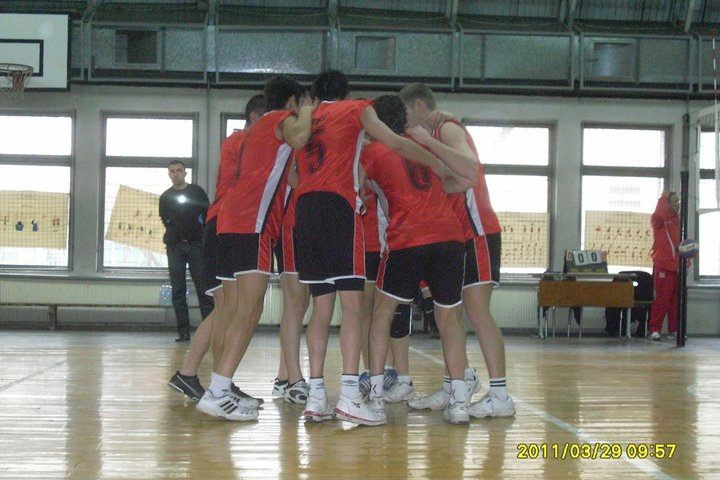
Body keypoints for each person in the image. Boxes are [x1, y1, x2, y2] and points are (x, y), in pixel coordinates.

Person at [293, 70, 442, 426]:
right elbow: (394, 141)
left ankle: (316, 397)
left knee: (321, 308)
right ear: (346, 94)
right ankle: (348, 396)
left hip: (305, 211)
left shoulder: (305, 119)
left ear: (316, 95)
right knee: (353, 307)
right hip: (337, 208)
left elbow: (293, 178)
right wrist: (435, 160)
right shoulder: (356, 108)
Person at [196, 75, 314, 421]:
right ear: (291, 102)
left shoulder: (255, 131)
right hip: (253, 225)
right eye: (300, 103)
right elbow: (301, 136)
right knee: (249, 310)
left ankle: (220, 387)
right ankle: (218, 392)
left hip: (229, 222)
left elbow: (291, 179)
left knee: (233, 311)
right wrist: (310, 111)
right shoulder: (281, 119)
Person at [399, 83, 515, 419]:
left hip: (476, 230)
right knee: (447, 314)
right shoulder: (431, 133)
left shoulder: (447, 128)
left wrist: (428, 141)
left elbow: (470, 166)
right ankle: (456, 384)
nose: (404, 121)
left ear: (418, 105)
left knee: (477, 312)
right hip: (453, 236)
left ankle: (500, 394)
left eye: (405, 113)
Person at [362, 95, 477, 424]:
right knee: (449, 318)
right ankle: (459, 403)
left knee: (382, 314)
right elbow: (464, 180)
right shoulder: (423, 146)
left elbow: (354, 188)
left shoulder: (372, 151)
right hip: (449, 238)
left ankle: (377, 399)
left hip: (407, 238)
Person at [168, 94, 266, 405]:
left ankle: (206, 378)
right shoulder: (245, 141)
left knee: (225, 310)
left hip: (220, 225)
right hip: (226, 225)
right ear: (256, 117)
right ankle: (209, 380)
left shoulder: (236, 142)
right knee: (230, 309)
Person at [159, 160, 213, 342]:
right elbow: (165, 219)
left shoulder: (197, 192)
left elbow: (208, 215)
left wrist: (202, 236)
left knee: (203, 288)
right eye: (172, 171)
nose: (176, 174)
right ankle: (183, 332)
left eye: (179, 170)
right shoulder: (165, 197)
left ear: (185, 173)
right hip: (175, 247)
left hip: (196, 246)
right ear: (169, 175)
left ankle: (209, 331)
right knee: (178, 290)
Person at [648, 191, 681, 340]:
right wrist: (664, 199)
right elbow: (658, 216)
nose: (678, 205)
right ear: (666, 204)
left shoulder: (677, 220)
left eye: (678, 202)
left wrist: (685, 261)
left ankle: (674, 329)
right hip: (663, 265)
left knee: (675, 301)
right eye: (674, 202)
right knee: (661, 299)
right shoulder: (659, 221)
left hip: (676, 266)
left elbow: (678, 244)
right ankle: (654, 329)